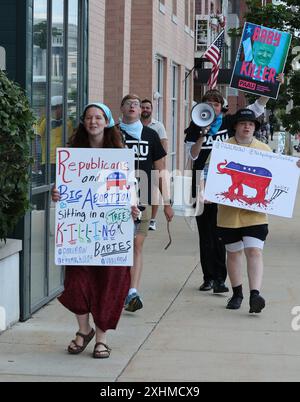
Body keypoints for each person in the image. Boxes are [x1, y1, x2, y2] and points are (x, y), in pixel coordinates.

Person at [51, 102, 140, 358]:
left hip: (111, 233)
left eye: (98, 117)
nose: (93, 122)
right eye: (89, 117)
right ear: (83, 122)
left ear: (107, 121)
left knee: (108, 283)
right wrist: (57, 194)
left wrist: (134, 208)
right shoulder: (72, 155)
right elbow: (65, 190)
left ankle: (101, 338)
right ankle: (83, 329)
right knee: (76, 283)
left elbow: (129, 188)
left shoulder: (119, 154)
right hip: (80, 232)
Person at [185, 89, 272, 294]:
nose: (213, 107)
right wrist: (202, 134)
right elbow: (193, 156)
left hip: (225, 182)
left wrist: (270, 88)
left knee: (221, 233)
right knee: (205, 234)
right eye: (209, 103)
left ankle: (221, 279)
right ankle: (209, 277)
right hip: (202, 183)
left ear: (221, 107)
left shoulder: (230, 123)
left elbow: (257, 108)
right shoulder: (194, 127)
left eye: (216, 104)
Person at [217, 109, 300, 313]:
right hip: (229, 213)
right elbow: (210, 175)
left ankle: (255, 294)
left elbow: (280, 175)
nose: (247, 127)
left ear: (255, 128)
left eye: (251, 124)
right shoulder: (223, 148)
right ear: (235, 126)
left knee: (254, 251)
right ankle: (237, 294)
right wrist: (204, 191)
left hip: (255, 214)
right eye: (243, 123)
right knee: (234, 253)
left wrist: (294, 167)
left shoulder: (264, 149)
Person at [119, 94, 174, 312]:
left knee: (136, 245)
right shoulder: (112, 133)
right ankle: (119, 288)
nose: (133, 107)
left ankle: (132, 292)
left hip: (143, 199)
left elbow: (161, 170)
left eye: (136, 104)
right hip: (115, 200)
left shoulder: (151, 135)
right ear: (121, 108)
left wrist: (167, 202)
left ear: (142, 111)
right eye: (129, 104)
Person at [141, 98, 168, 231]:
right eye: (143, 107)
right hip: (142, 163)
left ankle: (152, 219)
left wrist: (160, 161)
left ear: (151, 110)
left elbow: (163, 142)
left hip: (154, 162)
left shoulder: (158, 125)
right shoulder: (135, 124)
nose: (145, 110)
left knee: (154, 191)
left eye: (148, 107)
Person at [38, 95, 73, 182]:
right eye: (65, 106)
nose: (67, 109)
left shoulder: (68, 122)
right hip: (48, 161)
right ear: (58, 107)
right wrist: (35, 161)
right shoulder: (44, 121)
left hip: (64, 161)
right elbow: (35, 138)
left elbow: (71, 141)